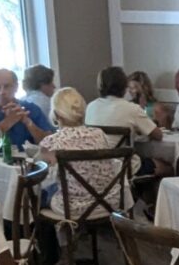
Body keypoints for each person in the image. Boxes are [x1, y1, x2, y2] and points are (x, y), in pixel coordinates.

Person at [40, 88, 121, 219]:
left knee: (38, 195)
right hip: (108, 203)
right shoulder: (99, 134)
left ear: (56, 114)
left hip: (73, 208)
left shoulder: (51, 142)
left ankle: (41, 232)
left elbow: (43, 177)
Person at [86, 66, 171, 177]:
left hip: (98, 168)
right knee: (168, 167)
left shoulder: (90, 107)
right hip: (125, 167)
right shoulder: (131, 109)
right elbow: (158, 135)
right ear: (124, 87)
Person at [0, 68, 53, 152]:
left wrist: (29, 123)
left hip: (26, 159)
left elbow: (49, 144)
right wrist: (7, 122)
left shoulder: (31, 109)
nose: (2, 92)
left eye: (7, 86)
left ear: (16, 87)